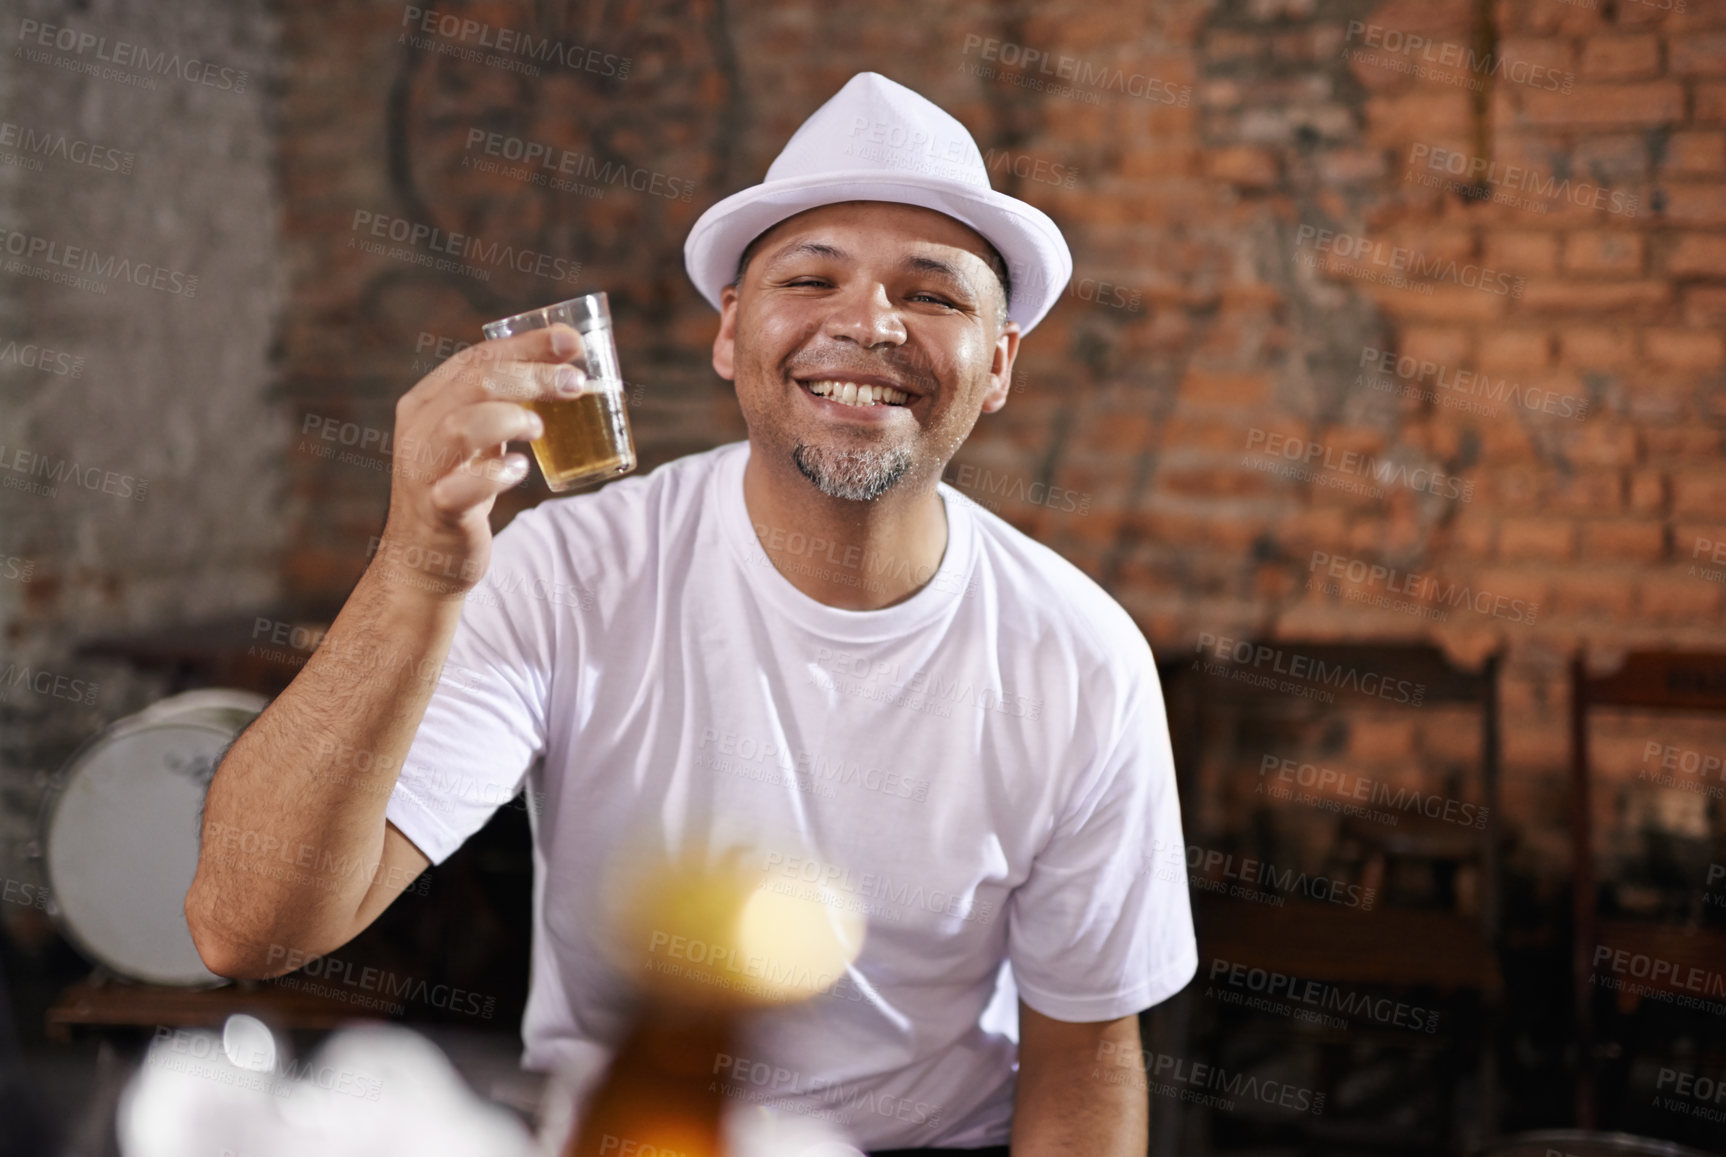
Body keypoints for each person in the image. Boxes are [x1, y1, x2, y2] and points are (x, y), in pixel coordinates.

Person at [187, 71, 1197, 1155]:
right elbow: (249, 928)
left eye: (934, 294)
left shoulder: (1083, 658)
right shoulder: (568, 571)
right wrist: (417, 568)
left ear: (996, 364)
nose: (867, 321)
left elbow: (1084, 1054)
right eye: (810, 279)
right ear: (730, 333)